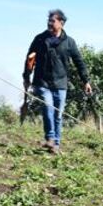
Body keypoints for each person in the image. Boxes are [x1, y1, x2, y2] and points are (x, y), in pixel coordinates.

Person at [22, 9, 92, 154]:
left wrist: (86, 81)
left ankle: (56, 145)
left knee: (58, 115)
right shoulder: (40, 39)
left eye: (52, 21)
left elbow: (79, 62)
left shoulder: (69, 42)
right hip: (42, 82)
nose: (49, 23)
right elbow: (29, 58)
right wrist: (26, 77)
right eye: (48, 20)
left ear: (62, 23)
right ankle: (50, 138)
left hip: (60, 84)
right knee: (48, 108)